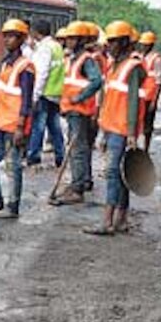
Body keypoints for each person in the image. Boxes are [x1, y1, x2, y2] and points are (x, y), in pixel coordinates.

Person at [85, 20, 144, 236]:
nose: (108, 45)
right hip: (111, 127)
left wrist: (130, 133)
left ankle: (108, 221)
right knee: (119, 174)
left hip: (121, 129)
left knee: (112, 172)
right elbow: (109, 98)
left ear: (124, 43)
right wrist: (102, 130)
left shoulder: (133, 68)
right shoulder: (112, 66)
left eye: (113, 42)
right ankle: (121, 219)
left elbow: (133, 102)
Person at [0, 19, 35, 220]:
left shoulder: (25, 67)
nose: (7, 40)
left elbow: (27, 100)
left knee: (13, 165)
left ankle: (12, 206)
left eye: (12, 36)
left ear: (21, 39)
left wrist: (21, 126)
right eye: (6, 36)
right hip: (0, 122)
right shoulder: (5, 63)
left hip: (13, 125)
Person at [54, 21, 104, 205]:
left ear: (81, 40)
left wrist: (80, 97)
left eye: (72, 38)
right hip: (72, 110)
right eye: (67, 38)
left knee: (78, 149)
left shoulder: (86, 60)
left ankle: (77, 188)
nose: (68, 41)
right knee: (76, 147)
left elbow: (97, 81)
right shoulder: (72, 59)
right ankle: (79, 182)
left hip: (81, 110)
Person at [26, 20, 66, 169]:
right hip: (56, 93)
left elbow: (41, 73)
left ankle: (34, 156)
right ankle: (60, 156)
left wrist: (35, 96)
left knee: (38, 126)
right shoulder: (56, 46)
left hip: (44, 93)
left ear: (37, 32)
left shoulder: (44, 48)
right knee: (55, 126)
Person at [136, 31, 161, 154]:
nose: (144, 46)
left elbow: (159, 81)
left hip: (149, 96)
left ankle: (146, 148)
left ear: (151, 45)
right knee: (137, 122)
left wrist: (154, 100)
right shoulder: (139, 57)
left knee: (148, 124)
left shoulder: (156, 59)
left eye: (146, 44)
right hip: (140, 95)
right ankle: (136, 146)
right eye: (143, 44)